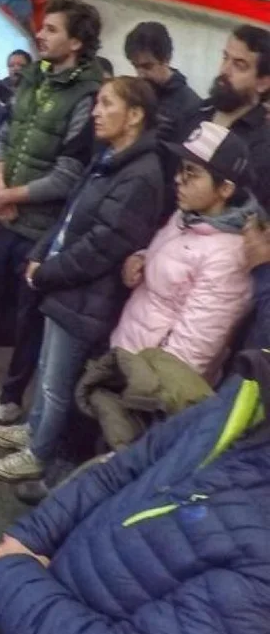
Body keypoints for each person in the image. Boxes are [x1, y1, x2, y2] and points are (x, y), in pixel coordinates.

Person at [0, 348, 270, 634]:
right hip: (46, 598)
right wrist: (29, 537)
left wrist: (12, 575)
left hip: (44, 609)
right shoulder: (251, 395)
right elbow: (123, 468)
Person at [0, 77, 168, 485]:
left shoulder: (140, 176)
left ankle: (39, 453)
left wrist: (47, 271)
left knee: (57, 384)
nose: (97, 113)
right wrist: (39, 254)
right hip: (65, 287)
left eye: (107, 104)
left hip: (87, 296)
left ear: (135, 115)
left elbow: (101, 247)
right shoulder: (109, 159)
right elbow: (68, 219)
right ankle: (34, 431)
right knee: (48, 368)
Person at [0, 0, 104, 432]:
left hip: (41, 228)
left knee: (27, 315)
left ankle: (11, 399)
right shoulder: (33, 77)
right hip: (6, 211)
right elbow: (7, 135)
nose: (41, 35)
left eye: (51, 29)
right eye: (41, 28)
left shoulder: (88, 95)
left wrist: (11, 194)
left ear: (77, 41)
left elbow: (69, 172)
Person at [108, 122, 255, 380]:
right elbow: (175, 263)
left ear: (225, 189)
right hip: (127, 353)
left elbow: (193, 349)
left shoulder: (229, 257)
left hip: (149, 382)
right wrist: (142, 258)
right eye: (180, 168)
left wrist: (144, 390)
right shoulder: (187, 216)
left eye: (192, 173)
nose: (178, 179)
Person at [175, 26, 270, 208]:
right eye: (225, 58)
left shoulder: (262, 147)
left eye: (239, 65)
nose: (225, 70)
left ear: (263, 83)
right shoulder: (197, 111)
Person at [123, 21, 202, 144]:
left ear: (167, 59)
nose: (140, 74)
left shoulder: (191, 106)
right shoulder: (134, 94)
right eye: (135, 66)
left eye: (147, 66)